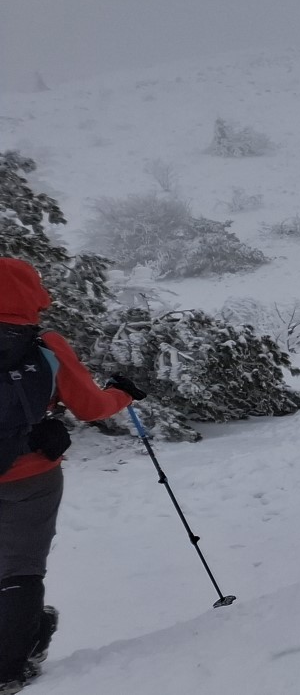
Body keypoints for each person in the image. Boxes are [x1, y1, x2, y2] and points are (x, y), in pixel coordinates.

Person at [0, 259, 142, 692]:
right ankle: (8, 668)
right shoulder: (45, 345)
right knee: (21, 567)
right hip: (30, 475)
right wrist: (122, 393)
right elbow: (91, 407)